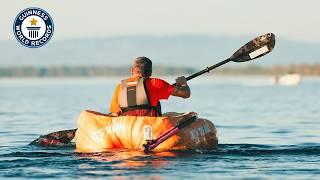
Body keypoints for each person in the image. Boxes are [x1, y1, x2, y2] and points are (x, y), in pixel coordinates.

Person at [109, 56, 191, 117]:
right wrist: (183, 83)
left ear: (132, 71)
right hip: (149, 128)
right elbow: (185, 94)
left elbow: (115, 113)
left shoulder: (120, 87)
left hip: (127, 129)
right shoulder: (156, 83)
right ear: (150, 73)